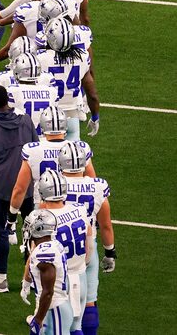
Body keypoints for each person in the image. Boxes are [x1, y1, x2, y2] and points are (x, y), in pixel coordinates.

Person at [0, 85, 37, 292]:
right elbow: (36, 150)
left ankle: (2, 280)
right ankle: (32, 278)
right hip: (27, 185)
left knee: (1, 232)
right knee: (32, 230)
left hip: (2, 188)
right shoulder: (26, 120)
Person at [58, 142, 116, 335]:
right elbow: (106, 225)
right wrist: (110, 253)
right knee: (89, 299)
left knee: (56, 304)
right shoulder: (97, 187)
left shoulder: (52, 184)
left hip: (59, 250)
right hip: (86, 248)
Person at [38, 169, 92, 335]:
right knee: (76, 327)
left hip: (59, 282)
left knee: (53, 330)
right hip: (81, 278)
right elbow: (89, 243)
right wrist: (82, 264)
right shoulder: (79, 209)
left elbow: (38, 257)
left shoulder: (42, 219)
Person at [37, 16, 99, 140]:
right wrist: (95, 117)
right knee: (73, 157)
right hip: (72, 116)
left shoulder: (39, 59)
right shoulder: (82, 57)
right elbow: (92, 95)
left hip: (47, 115)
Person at [20, 209, 73, 335]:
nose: (26, 229)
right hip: (53, 308)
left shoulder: (44, 253)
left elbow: (48, 292)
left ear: (39, 229)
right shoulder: (52, 244)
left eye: (29, 226)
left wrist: (38, 320)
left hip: (54, 311)